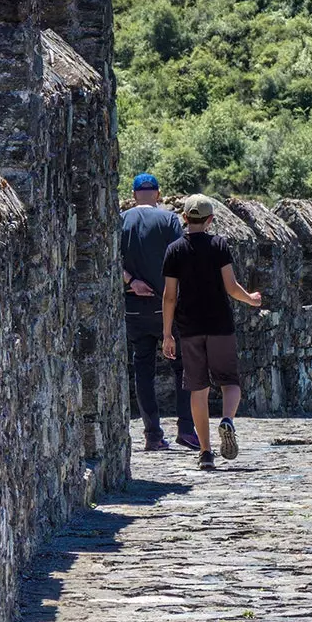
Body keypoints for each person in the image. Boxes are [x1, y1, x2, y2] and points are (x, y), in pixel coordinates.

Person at [161, 194, 262, 471]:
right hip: (219, 325)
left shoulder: (174, 250)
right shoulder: (219, 245)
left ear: (184, 219)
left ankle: (205, 452)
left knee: (198, 388)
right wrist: (251, 299)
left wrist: (167, 334)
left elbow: (170, 296)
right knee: (230, 382)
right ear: (210, 220)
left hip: (189, 328)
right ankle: (227, 420)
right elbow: (230, 287)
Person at [120, 173, 194, 452]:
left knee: (143, 368)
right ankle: (186, 428)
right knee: (183, 366)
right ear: (158, 194)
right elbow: (180, 258)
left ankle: (152, 434)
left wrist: (131, 282)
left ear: (134, 194)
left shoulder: (121, 220)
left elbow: (108, 259)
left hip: (134, 307)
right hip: (168, 305)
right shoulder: (169, 220)